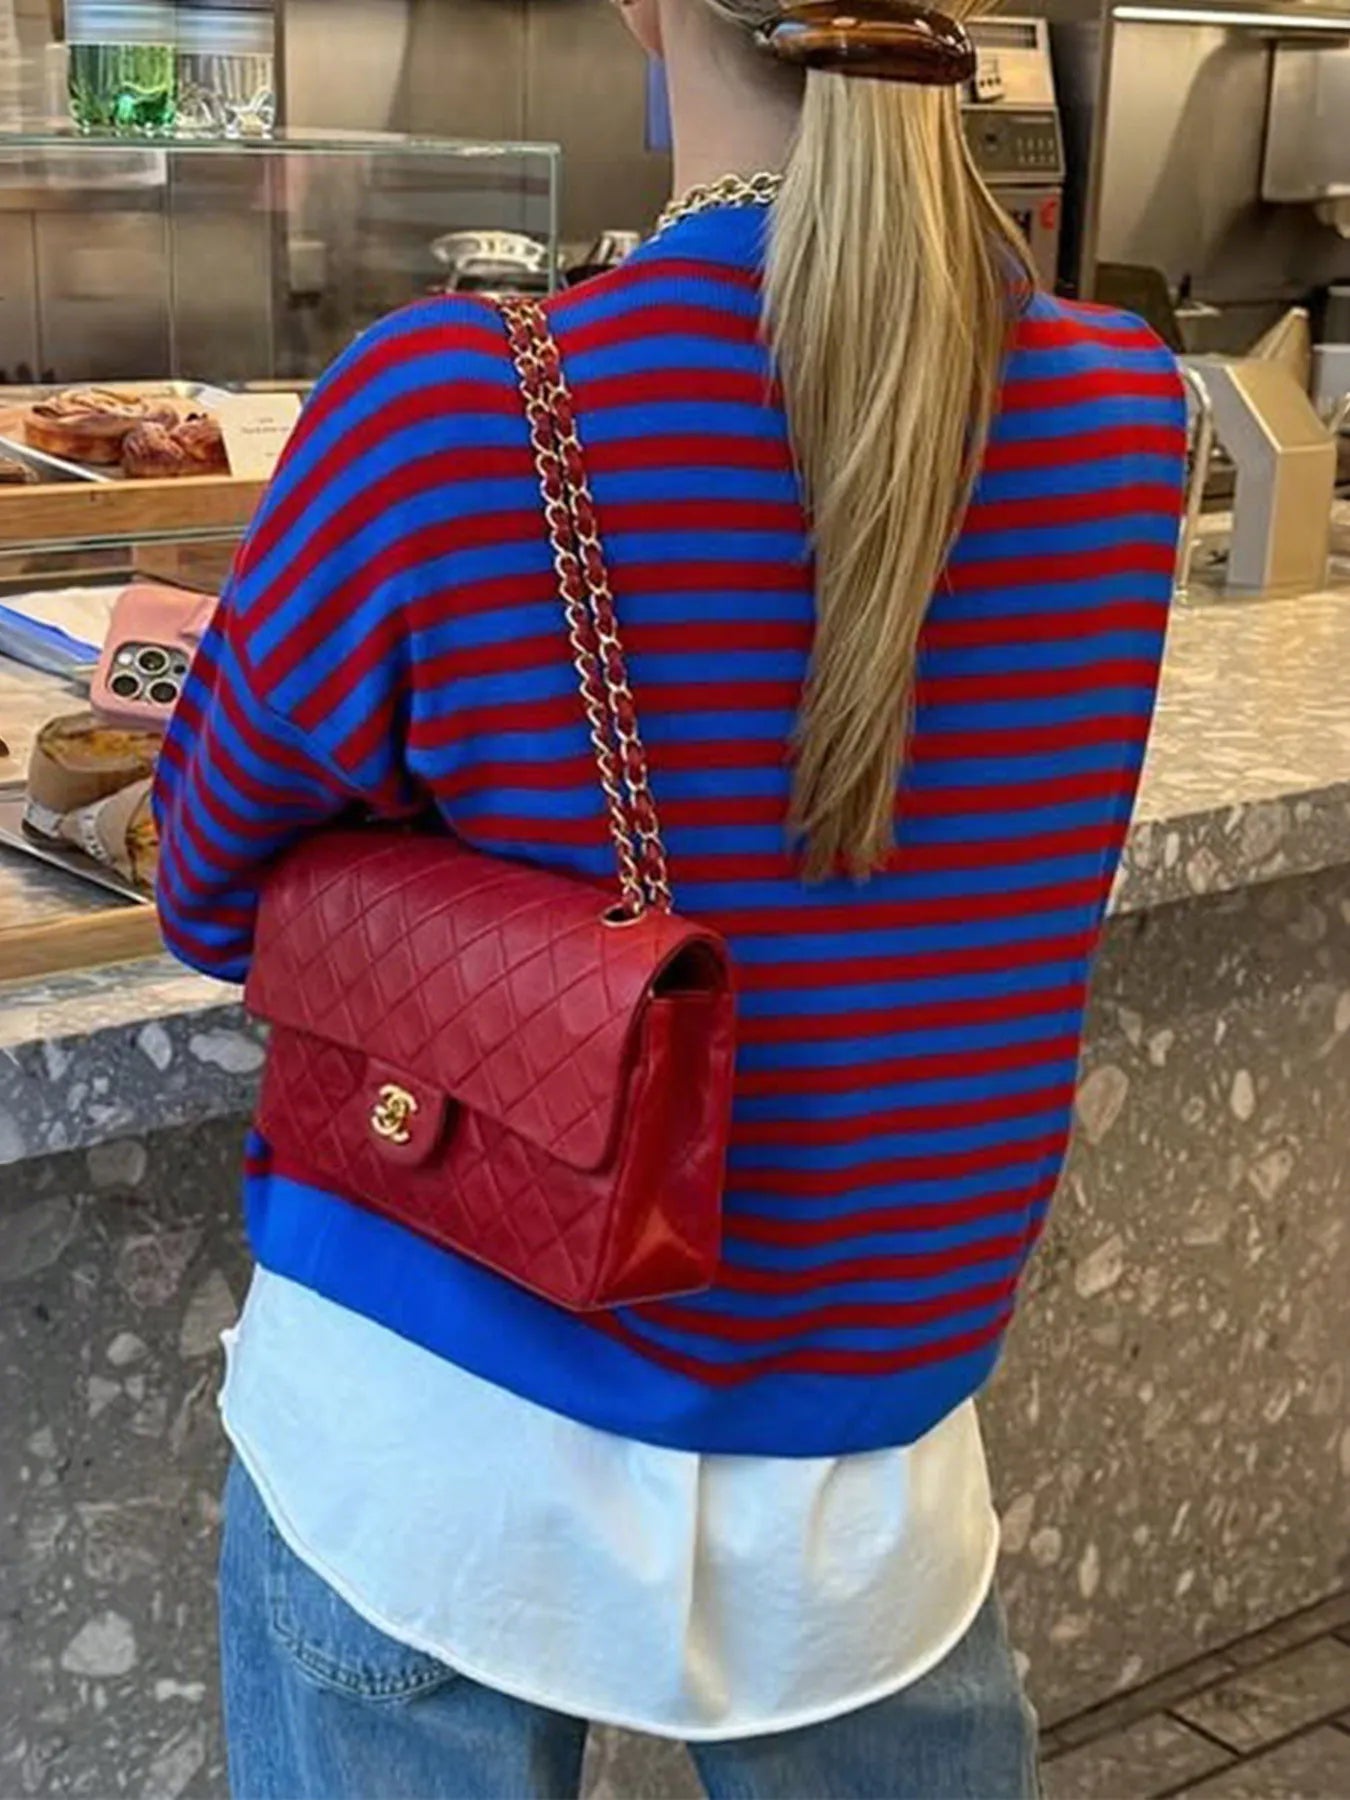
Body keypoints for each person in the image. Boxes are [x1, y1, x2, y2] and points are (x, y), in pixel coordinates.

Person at [153, 2, 1186, 1795]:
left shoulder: (450, 404)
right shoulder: (1126, 417)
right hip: (867, 1483)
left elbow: (207, 888)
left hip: (439, 1438)